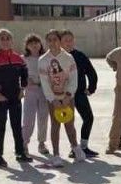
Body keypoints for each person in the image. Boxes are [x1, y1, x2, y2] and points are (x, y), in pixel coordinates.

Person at [0, 29, 31, 167]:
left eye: (8, 38)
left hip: (16, 96)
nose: (5, 41)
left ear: (12, 41)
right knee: (0, 126)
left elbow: (25, 76)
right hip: (1, 98)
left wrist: (22, 89)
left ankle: (20, 153)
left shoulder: (18, 59)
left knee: (17, 126)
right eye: (2, 39)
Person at [40, 30, 84, 168]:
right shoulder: (43, 60)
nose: (52, 42)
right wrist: (53, 100)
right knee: (55, 125)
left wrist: (68, 96)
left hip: (67, 98)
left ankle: (76, 147)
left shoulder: (69, 58)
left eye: (55, 39)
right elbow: (45, 83)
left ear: (60, 41)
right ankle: (56, 155)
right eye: (49, 40)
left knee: (69, 124)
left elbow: (74, 79)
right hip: (53, 99)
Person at [60, 30, 100, 159]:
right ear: (60, 42)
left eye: (70, 40)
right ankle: (74, 148)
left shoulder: (80, 56)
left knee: (88, 118)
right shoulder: (57, 57)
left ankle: (83, 147)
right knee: (68, 122)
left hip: (79, 94)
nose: (68, 43)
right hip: (64, 96)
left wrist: (91, 88)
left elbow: (91, 73)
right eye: (65, 40)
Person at [20, 34, 50, 157]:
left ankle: (41, 143)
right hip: (30, 92)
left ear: (40, 44)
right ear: (27, 46)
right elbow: (18, 75)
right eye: (31, 43)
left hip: (44, 91)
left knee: (43, 118)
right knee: (28, 119)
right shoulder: (23, 59)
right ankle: (24, 143)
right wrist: (25, 82)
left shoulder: (46, 58)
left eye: (36, 42)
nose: (34, 45)